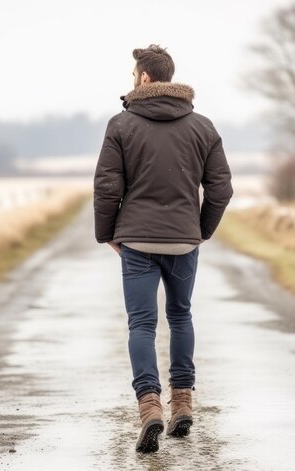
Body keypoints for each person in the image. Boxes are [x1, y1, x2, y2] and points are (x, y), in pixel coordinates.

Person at [93, 44, 233, 453]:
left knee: (141, 324)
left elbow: (106, 187)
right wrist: (200, 230)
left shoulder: (120, 125)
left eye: (133, 73)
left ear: (145, 78)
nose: (132, 79)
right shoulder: (203, 126)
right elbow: (221, 188)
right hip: (183, 240)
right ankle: (183, 401)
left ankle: (150, 406)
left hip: (136, 240)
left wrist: (107, 234)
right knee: (181, 315)